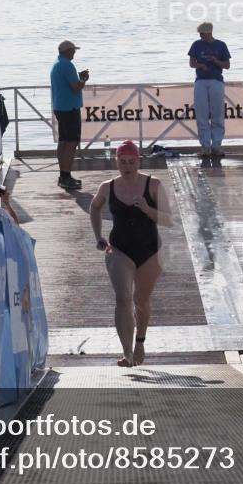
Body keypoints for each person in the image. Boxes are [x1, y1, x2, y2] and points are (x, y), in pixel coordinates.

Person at [89, 141, 173, 367]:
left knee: (141, 302)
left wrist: (147, 209)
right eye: (122, 162)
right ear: (116, 161)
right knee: (123, 298)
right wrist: (98, 235)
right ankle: (127, 353)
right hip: (119, 249)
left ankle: (140, 342)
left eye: (131, 162)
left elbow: (168, 220)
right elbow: (95, 207)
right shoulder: (107, 187)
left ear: (139, 161)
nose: (127, 167)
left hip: (150, 251)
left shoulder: (153, 185)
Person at [50, 40, 89, 190]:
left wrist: (78, 78)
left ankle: (63, 175)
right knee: (71, 142)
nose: (74, 53)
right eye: (73, 50)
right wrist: (83, 79)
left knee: (64, 140)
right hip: (69, 108)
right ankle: (66, 175)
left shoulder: (57, 63)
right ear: (67, 51)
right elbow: (76, 86)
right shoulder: (67, 65)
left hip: (60, 107)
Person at [188, 22, 230, 158]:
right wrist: (200, 65)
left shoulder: (221, 45)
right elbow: (191, 63)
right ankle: (205, 147)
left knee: (217, 114)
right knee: (202, 115)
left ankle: (216, 146)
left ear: (209, 32)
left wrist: (216, 61)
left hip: (216, 80)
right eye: (200, 33)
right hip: (200, 80)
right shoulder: (196, 44)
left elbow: (227, 65)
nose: (200, 36)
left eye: (202, 33)